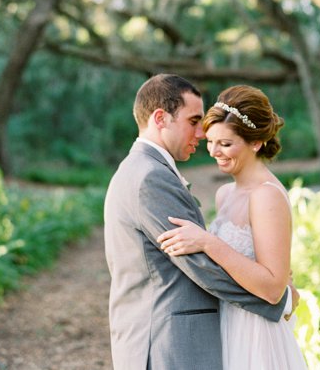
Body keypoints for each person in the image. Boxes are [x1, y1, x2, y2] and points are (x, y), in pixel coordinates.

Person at [103, 74, 291, 370]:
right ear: (161, 118)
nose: (203, 137)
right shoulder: (151, 177)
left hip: (230, 334)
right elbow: (200, 264)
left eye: (224, 141)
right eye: (194, 121)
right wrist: (281, 298)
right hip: (166, 341)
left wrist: (274, 286)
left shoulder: (141, 169)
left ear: (255, 143)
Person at [157, 84, 308, 370]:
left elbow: (274, 289)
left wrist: (207, 242)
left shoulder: (266, 196)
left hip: (255, 333)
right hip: (224, 321)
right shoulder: (224, 194)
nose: (214, 152)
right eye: (211, 142)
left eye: (226, 144)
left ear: (255, 143)